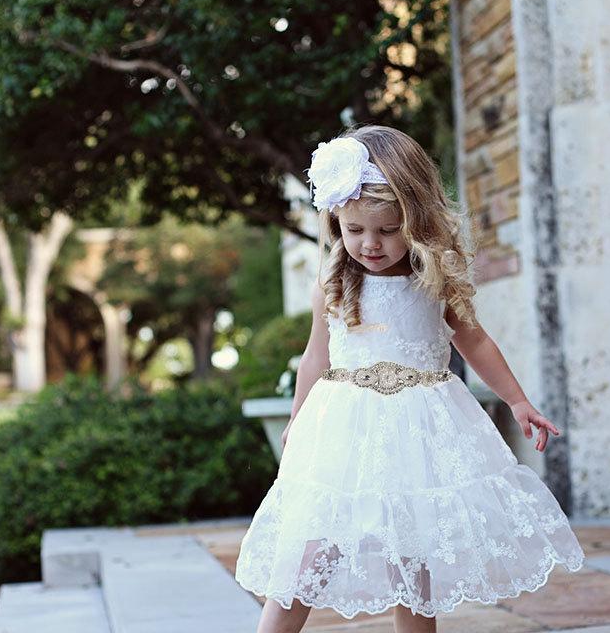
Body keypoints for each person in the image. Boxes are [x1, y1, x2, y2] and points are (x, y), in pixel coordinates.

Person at [234, 125, 585, 633]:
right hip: (344, 429)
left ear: (417, 220)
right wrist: (297, 422)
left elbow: (475, 341)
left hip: (420, 429)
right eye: (354, 230)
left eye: (387, 229)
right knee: (310, 550)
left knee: (414, 561)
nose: (369, 244)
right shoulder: (331, 285)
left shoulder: (433, 280)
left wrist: (518, 401)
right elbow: (316, 357)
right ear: (336, 223)